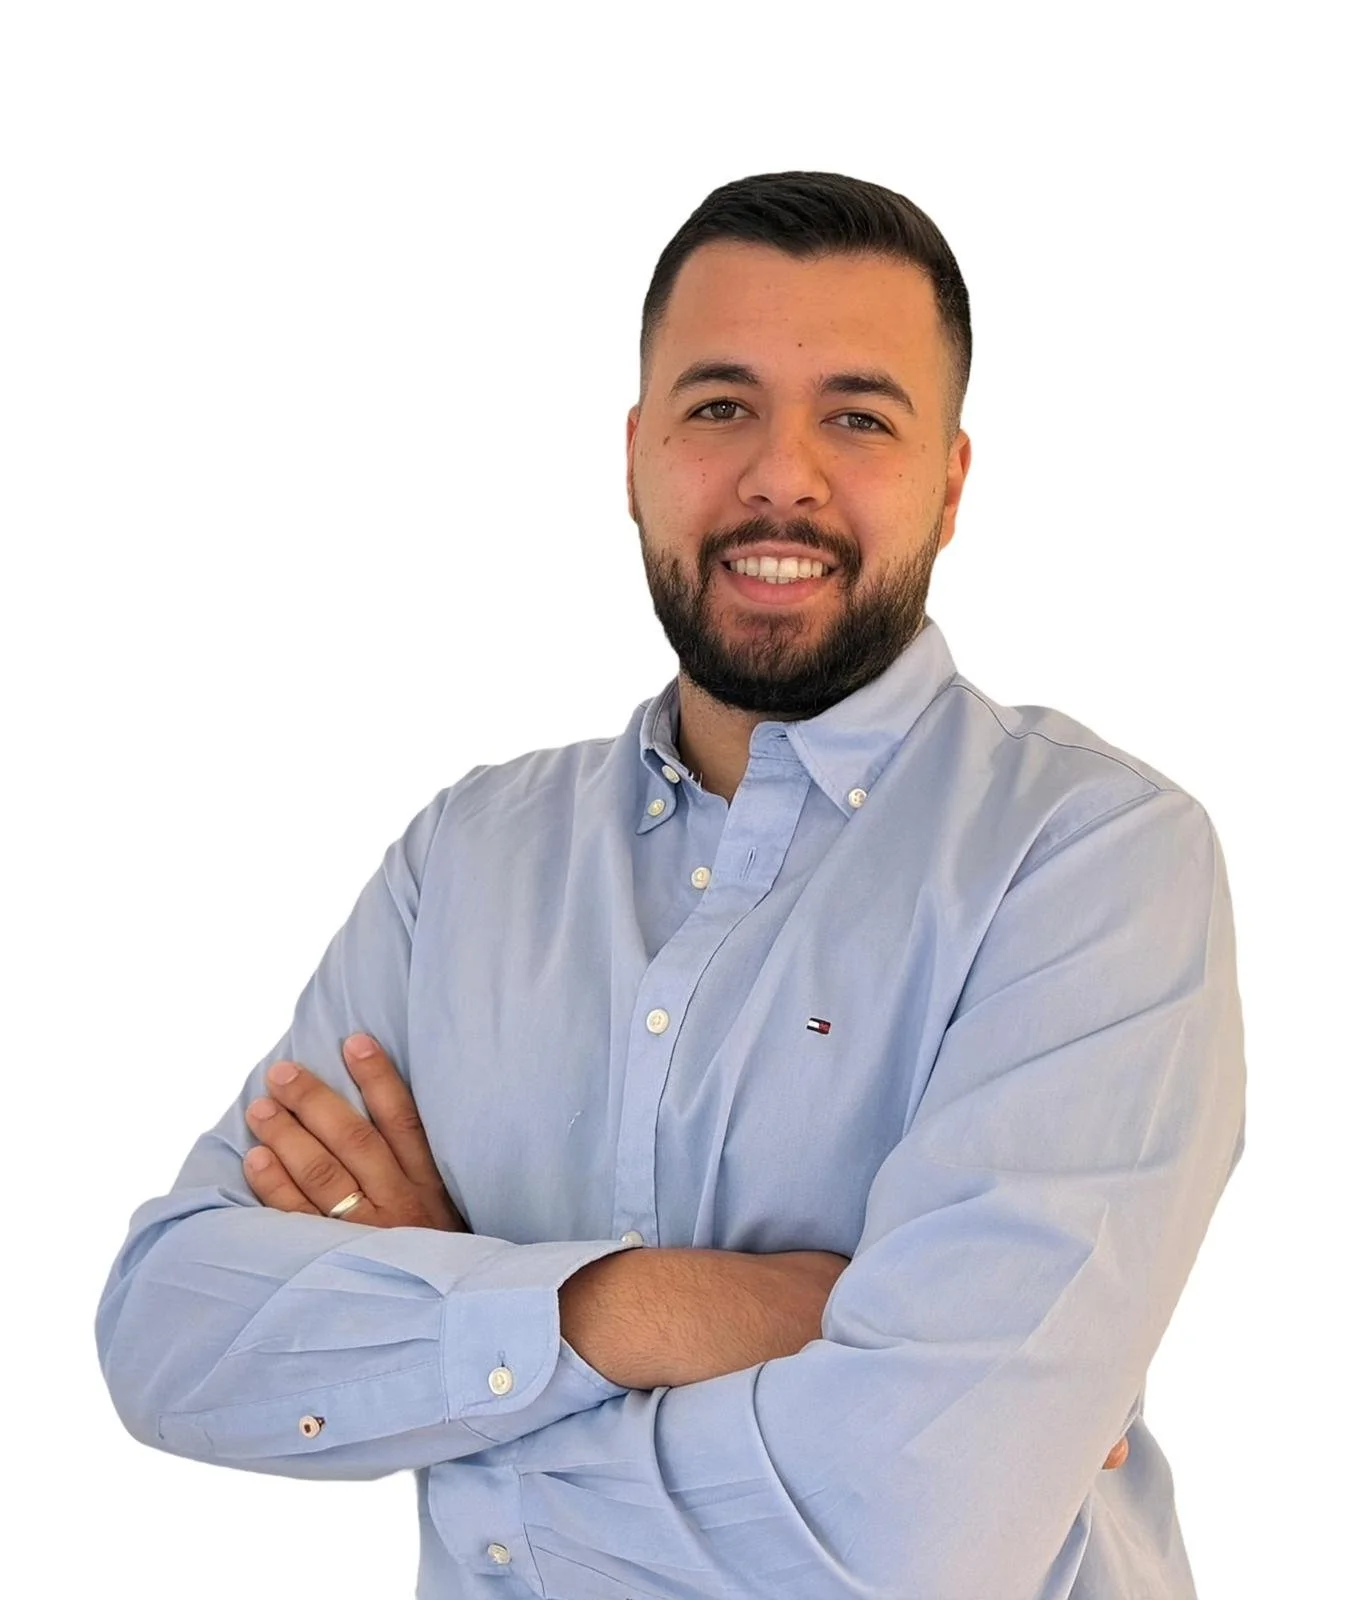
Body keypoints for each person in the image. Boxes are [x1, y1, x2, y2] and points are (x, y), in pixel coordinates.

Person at [95, 170, 1245, 1599]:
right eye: (719, 407)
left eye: (857, 415)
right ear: (635, 454)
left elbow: (914, 1533)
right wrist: (630, 1310)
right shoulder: (468, 860)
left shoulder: (1090, 860)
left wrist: (458, 1356)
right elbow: (169, 1335)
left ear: (949, 482)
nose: (781, 474)